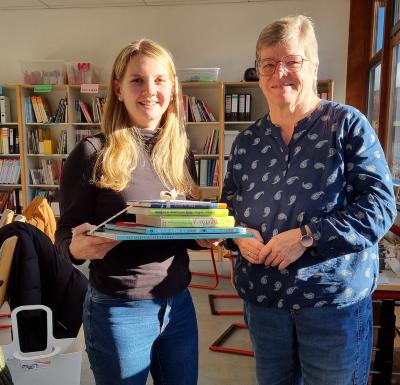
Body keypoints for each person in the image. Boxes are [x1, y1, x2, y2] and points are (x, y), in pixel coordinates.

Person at [221, 15, 396, 385]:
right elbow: (227, 207)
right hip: (263, 302)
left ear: (313, 66)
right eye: (268, 64)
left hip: (331, 306)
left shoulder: (347, 125)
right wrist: (238, 234)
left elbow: (380, 206)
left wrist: (307, 235)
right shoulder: (247, 141)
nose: (278, 72)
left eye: (291, 62)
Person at [55, 39, 215, 385]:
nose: (149, 91)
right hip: (118, 310)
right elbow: (64, 234)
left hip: (179, 305)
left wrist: (204, 238)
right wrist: (75, 247)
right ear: (118, 89)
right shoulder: (92, 152)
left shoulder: (179, 152)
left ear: (172, 89)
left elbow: (176, 230)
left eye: (159, 80)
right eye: (137, 80)